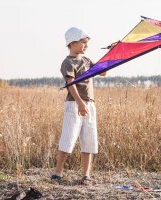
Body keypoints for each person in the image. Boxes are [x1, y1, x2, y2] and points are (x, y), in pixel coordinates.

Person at [51, 27, 106, 185]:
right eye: (84, 42)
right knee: (68, 139)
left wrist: (114, 56)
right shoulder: (67, 62)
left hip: (90, 104)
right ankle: (57, 173)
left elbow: (103, 72)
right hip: (74, 104)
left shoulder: (87, 60)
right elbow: (70, 84)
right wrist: (80, 104)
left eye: (87, 43)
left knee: (89, 140)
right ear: (73, 43)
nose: (86, 46)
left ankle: (86, 175)